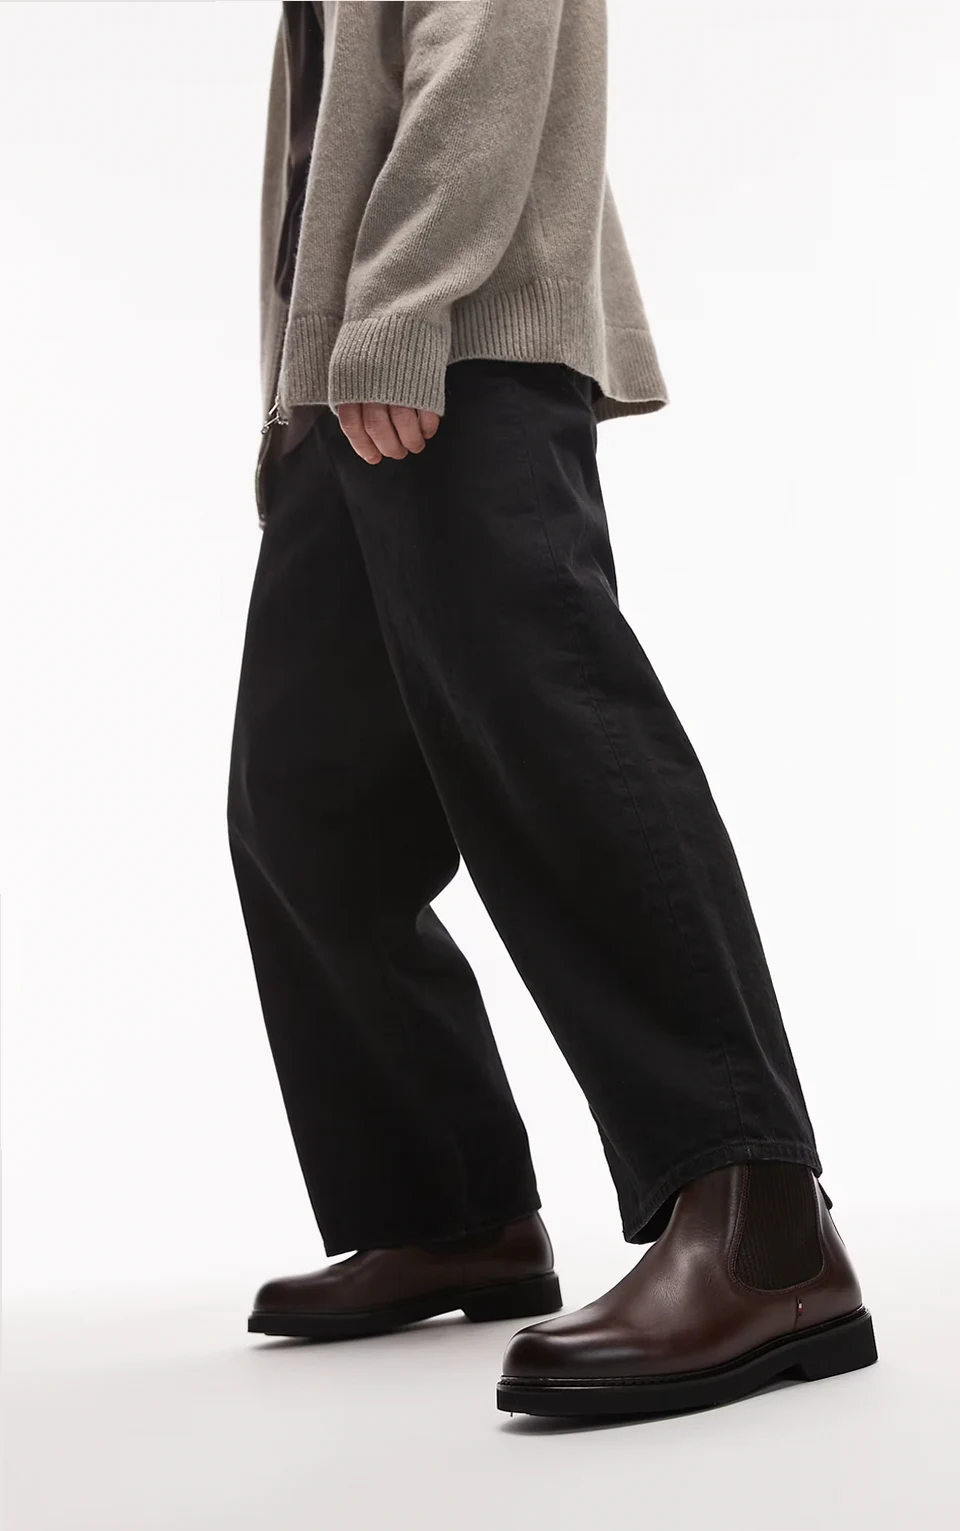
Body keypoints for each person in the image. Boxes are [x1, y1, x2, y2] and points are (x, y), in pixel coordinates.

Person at [229, 0, 876, 1420]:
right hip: (347, 368)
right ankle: (450, 1207)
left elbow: (497, 28)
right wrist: (302, 377)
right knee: (306, 802)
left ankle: (762, 1222)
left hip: (449, 336)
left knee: (563, 744)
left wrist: (402, 304)